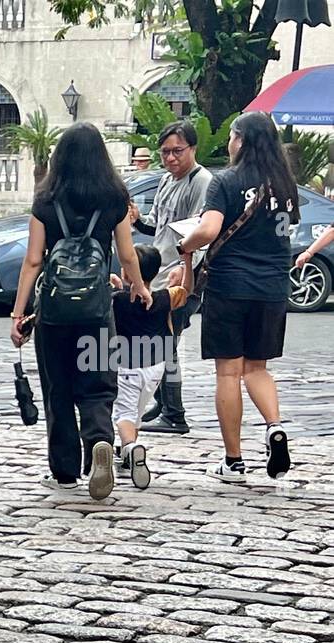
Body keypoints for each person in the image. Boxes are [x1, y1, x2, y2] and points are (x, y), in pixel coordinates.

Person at [11, 122, 152, 501]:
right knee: (96, 387)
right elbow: (126, 254)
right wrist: (139, 285)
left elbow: (32, 261)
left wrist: (18, 314)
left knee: (57, 389)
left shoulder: (46, 199)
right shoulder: (113, 198)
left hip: (54, 314)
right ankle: (100, 443)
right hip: (95, 311)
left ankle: (64, 472)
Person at [176, 111, 297, 482]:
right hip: (273, 287)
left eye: (232, 136)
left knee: (229, 372)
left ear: (241, 140)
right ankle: (274, 426)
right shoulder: (285, 184)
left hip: (230, 285)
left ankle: (233, 461)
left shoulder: (225, 181)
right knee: (257, 368)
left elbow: (210, 230)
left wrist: (186, 243)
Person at [133, 120, 214, 435]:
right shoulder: (167, 180)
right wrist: (139, 221)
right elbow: (160, 224)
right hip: (161, 272)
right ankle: (166, 403)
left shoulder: (201, 181)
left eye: (177, 151)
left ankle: (175, 414)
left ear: (192, 148)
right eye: (165, 152)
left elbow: (202, 232)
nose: (170, 158)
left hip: (184, 274)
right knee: (160, 340)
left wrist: (187, 270)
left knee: (166, 342)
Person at [108, 245, 189, 489]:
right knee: (138, 410)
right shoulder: (165, 297)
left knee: (123, 413)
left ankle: (130, 448)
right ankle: (126, 456)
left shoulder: (117, 300)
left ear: (125, 270)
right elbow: (186, 290)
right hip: (157, 366)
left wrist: (115, 286)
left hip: (126, 365)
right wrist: (185, 265)